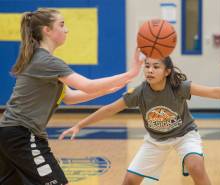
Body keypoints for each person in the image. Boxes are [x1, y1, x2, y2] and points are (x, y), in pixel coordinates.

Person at [59, 52, 220, 185]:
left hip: (184, 135)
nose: (150, 70)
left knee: (196, 167)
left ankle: (187, 159)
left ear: (167, 71)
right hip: (155, 140)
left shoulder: (179, 87)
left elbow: (214, 92)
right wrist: (80, 124)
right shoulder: (139, 92)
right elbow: (109, 109)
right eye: (147, 66)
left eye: (156, 66)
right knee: (129, 181)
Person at [0, 8, 142, 185]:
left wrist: (105, 90)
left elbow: (69, 97)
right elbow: (87, 85)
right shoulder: (46, 61)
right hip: (22, 135)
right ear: (47, 30)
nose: (66, 29)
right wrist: (131, 74)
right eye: (61, 24)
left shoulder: (40, 59)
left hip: (10, 133)